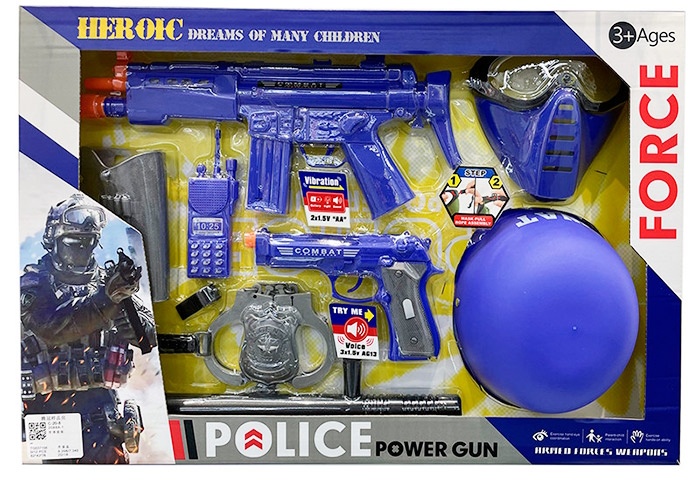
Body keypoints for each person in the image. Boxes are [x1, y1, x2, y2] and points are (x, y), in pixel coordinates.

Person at [20, 194, 156, 463]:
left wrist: (127, 311)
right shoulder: (33, 285)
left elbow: (147, 338)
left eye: (89, 242)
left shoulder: (105, 282)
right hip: (49, 411)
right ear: (53, 241)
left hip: (101, 411)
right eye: (73, 242)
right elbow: (53, 329)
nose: (82, 250)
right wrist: (107, 300)